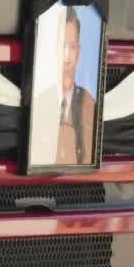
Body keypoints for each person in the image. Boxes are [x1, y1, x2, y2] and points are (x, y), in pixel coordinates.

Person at [52, 11, 98, 166]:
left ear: (78, 52)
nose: (66, 57)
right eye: (62, 46)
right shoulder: (40, 101)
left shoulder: (89, 104)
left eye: (71, 47)